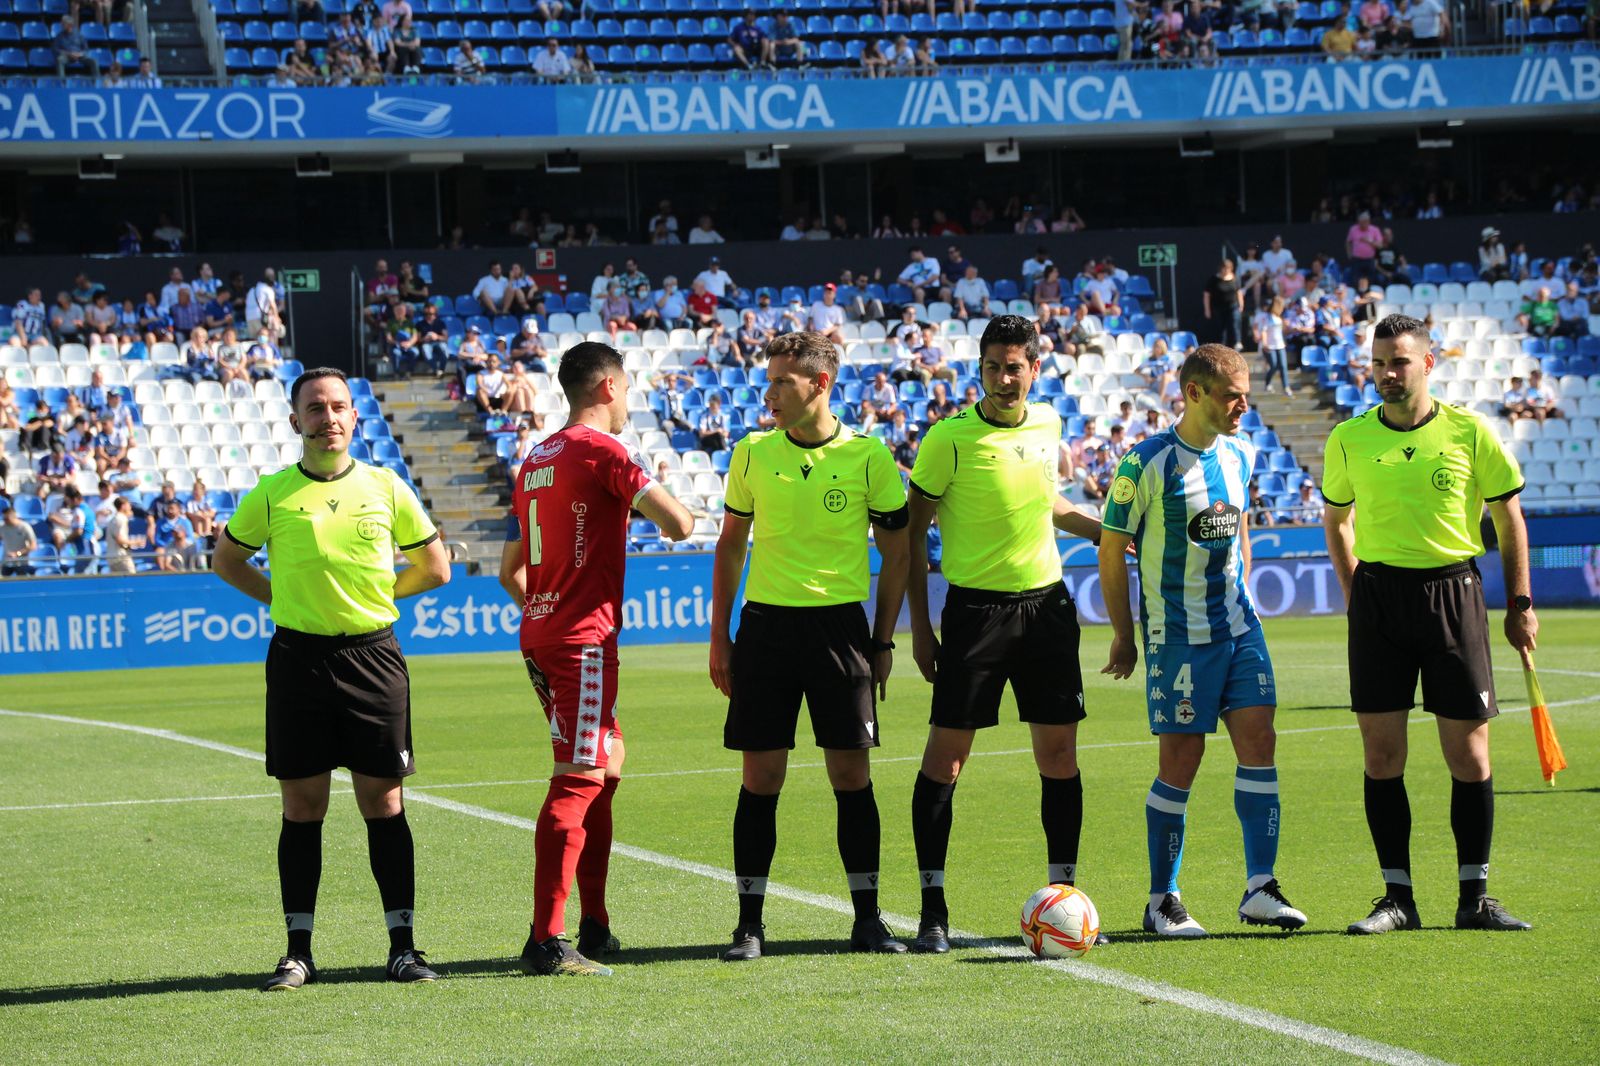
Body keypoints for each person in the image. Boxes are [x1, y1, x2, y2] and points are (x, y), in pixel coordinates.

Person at [213, 367, 452, 991]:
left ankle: (402, 947)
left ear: (355, 416)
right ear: (296, 421)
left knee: (384, 802)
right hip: (298, 662)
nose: (329, 417)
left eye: (339, 406)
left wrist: (376, 596)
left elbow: (435, 567)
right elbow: (228, 559)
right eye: (315, 408)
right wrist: (278, 599)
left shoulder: (385, 486)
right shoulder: (272, 493)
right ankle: (298, 952)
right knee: (303, 805)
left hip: (373, 658)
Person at [1320, 314, 1535, 936]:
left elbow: (1509, 516)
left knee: (1468, 754)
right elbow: (1337, 521)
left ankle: (1475, 898)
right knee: (1382, 754)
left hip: (1453, 593)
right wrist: (1353, 588)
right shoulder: (1348, 439)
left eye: (1400, 362)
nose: (1388, 373)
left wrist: (1519, 604)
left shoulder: (1469, 432)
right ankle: (1397, 899)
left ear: (1428, 363)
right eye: (1380, 363)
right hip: (1379, 599)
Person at [903, 316, 1106, 954]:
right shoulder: (948, 439)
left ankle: (1064, 897)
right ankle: (933, 910)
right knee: (946, 761)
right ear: (980, 370)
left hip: (1046, 611)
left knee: (1059, 758)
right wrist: (921, 627)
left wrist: (1108, 532)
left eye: (1013, 366)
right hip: (974, 616)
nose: (1002, 378)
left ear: (1034, 369)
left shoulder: (1048, 425)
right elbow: (911, 534)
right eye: (992, 367)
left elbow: (1053, 504)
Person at [709, 331, 911, 962]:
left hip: (840, 631)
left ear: (820, 385)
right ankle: (749, 926)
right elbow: (730, 545)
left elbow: (899, 549)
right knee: (760, 777)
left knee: (851, 773)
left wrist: (883, 639)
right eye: (767, 381)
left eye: (781, 382)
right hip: (766, 629)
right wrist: (721, 637)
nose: (768, 394)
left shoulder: (869, 457)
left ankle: (868, 919)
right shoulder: (750, 453)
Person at [498, 342, 694, 977]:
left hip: (544, 632)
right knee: (579, 776)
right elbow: (679, 524)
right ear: (609, 386)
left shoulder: (536, 458)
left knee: (606, 764)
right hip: (581, 640)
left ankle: (596, 925)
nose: (629, 399)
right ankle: (546, 940)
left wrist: (549, 610)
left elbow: (511, 570)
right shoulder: (603, 450)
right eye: (629, 388)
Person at [1098, 344, 1307, 938]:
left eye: (1247, 395)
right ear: (1194, 394)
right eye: (1231, 396)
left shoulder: (1242, 453)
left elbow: (1237, 529)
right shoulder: (1146, 464)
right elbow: (1112, 551)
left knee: (1259, 740)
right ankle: (1162, 899)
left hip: (1239, 627)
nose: (1243, 406)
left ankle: (1260, 887)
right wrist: (1123, 634)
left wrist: (1243, 583)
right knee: (1183, 760)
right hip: (1178, 635)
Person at [1203, 260, 1244, 348]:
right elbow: (1207, 295)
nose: (1225, 270)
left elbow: (1239, 292)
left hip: (1233, 306)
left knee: (1234, 322)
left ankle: (1237, 342)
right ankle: (1222, 346)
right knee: (1221, 327)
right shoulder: (1214, 279)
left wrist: (1241, 304)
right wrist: (1207, 310)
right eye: (1224, 268)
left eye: (1228, 268)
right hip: (1219, 307)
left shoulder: (1235, 278)